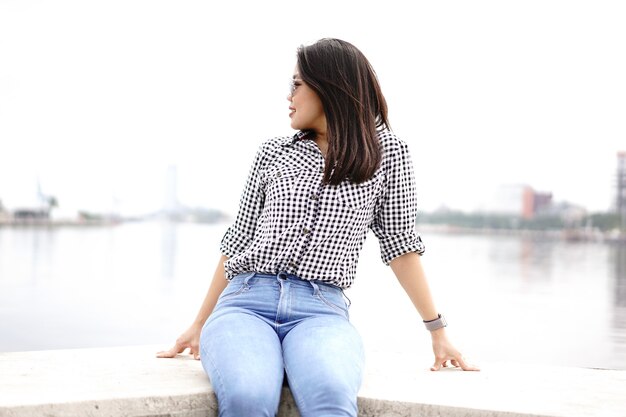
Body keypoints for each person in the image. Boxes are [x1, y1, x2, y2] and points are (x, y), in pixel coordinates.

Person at [157, 37, 479, 417]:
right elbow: (238, 241)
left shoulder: (388, 153)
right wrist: (198, 323)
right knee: (247, 397)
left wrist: (437, 332)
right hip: (245, 303)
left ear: (329, 86)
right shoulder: (273, 152)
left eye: (297, 84)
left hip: (320, 310)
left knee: (329, 396)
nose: (288, 95)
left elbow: (400, 245)